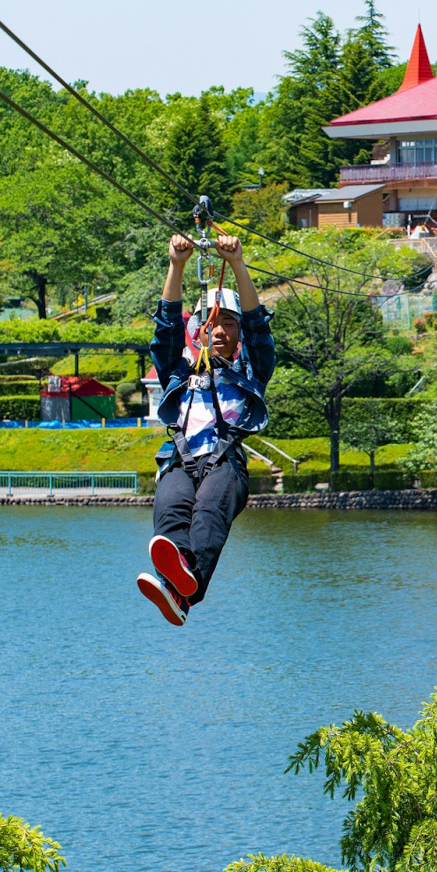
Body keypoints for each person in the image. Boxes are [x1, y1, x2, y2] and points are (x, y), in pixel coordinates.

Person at [136, 232, 273, 625]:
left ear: (237, 334)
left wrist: (237, 264)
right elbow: (165, 332)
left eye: (227, 324)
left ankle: (187, 587)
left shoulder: (250, 370)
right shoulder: (178, 370)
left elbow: (258, 330)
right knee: (169, 510)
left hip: (224, 462)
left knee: (209, 512)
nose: (218, 331)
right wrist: (176, 265)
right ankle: (175, 589)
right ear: (198, 331)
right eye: (211, 324)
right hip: (180, 459)